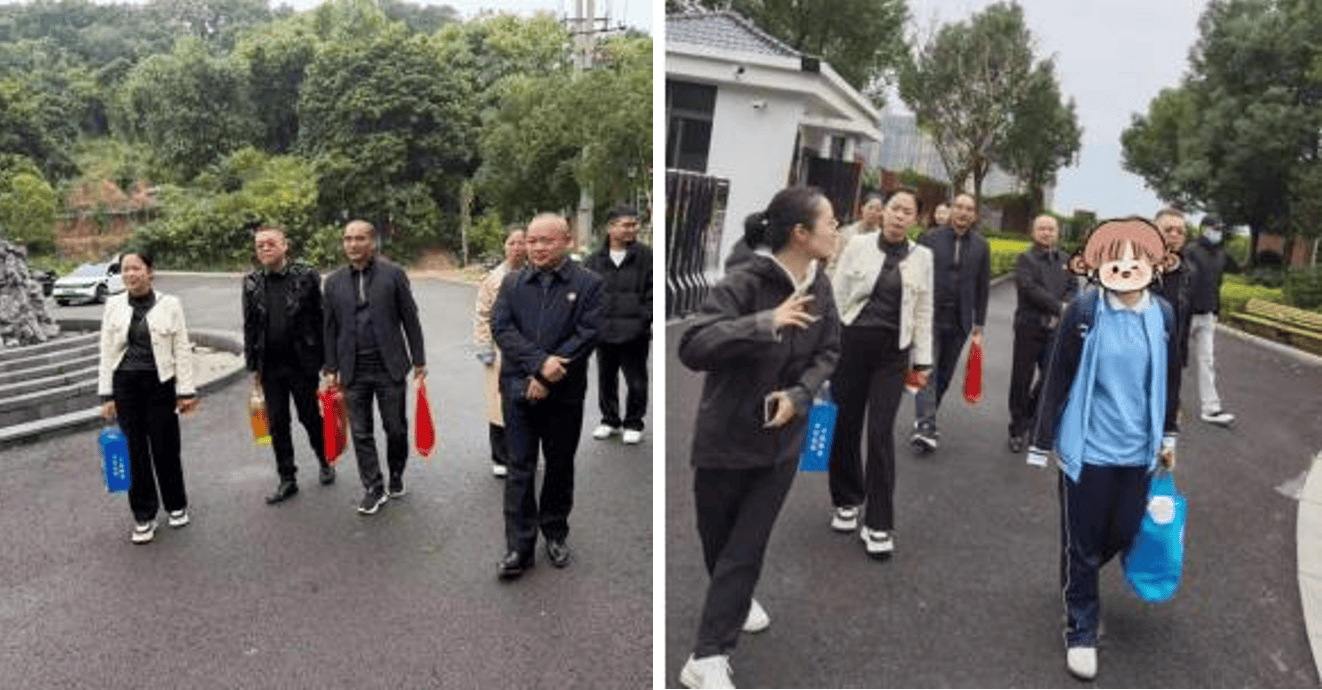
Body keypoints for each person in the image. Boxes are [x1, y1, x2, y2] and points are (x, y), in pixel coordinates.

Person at [676, 187, 841, 689]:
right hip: (725, 439)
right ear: (801, 233)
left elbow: (829, 351)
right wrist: (765, 323)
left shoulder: (821, 285)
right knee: (719, 540)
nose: (837, 229)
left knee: (746, 546)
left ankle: (707, 656)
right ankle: (734, 598)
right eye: (831, 222)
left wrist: (800, 395)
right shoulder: (744, 281)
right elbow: (693, 345)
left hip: (781, 446)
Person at [1026, 218, 1180, 681]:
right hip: (1088, 449)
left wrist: (1169, 436)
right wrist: (1041, 441)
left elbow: (1171, 380)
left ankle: (1079, 573)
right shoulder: (1085, 310)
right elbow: (1056, 375)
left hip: (1139, 452)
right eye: (1116, 258)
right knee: (1083, 541)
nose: (1127, 267)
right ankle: (1081, 627)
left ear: (1155, 264)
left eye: (1138, 258)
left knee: (1123, 532)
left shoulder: (1163, 314)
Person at [491, 214, 603, 579]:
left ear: (567, 241)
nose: (537, 247)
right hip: (518, 388)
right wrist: (539, 365)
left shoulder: (588, 284)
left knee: (559, 465)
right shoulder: (512, 282)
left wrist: (548, 375)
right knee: (519, 467)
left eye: (546, 240)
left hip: (564, 393)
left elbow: (588, 333)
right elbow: (501, 328)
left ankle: (555, 532)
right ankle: (518, 546)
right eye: (532, 240)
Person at [827, 187, 933, 559]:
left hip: (893, 356)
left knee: (879, 432)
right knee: (845, 426)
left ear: (916, 219)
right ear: (883, 212)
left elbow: (923, 310)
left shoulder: (923, 257)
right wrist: (827, 346)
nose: (899, 216)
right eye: (894, 208)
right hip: (851, 346)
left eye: (908, 211)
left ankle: (878, 522)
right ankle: (846, 499)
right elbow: (837, 294)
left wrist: (922, 363)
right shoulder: (857, 245)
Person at [322, 219, 426, 515]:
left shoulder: (393, 274)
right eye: (347, 239)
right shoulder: (333, 281)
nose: (353, 244)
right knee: (360, 431)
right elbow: (329, 328)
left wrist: (419, 360)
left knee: (395, 428)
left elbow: (410, 318)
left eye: (359, 238)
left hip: (389, 365)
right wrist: (330, 367)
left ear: (373, 242)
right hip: (352, 368)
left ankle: (396, 474)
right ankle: (373, 487)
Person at [97, 249, 200, 544]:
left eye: (136, 268)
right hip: (125, 385)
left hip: (160, 383)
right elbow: (106, 350)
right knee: (134, 451)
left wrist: (186, 390)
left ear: (150, 271)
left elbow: (181, 348)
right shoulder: (114, 304)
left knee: (165, 446)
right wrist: (106, 394)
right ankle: (143, 514)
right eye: (125, 269)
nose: (130, 274)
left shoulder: (170, 304)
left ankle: (176, 504)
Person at [243, 226, 333, 504]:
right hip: (270, 367)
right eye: (260, 245)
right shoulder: (251, 281)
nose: (265, 248)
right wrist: (253, 366)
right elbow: (250, 325)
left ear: (285, 246)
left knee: (310, 417)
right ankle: (287, 478)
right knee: (277, 423)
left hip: (301, 363)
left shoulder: (306, 275)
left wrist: (327, 361)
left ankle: (325, 460)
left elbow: (321, 318)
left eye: (270, 243)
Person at [911, 192, 990, 452]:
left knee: (944, 376)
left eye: (969, 209)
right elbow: (916, 275)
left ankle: (926, 417)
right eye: (959, 207)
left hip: (960, 319)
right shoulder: (930, 238)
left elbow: (982, 286)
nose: (963, 212)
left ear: (974, 215)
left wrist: (979, 321)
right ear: (951, 209)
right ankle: (926, 426)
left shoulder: (981, 245)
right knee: (927, 369)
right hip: (930, 316)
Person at [1007, 215, 1077, 453]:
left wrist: (1067, 305)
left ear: (1058, 232)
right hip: (1029, 328)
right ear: (1033, 232)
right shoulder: (1025, 259)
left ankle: (1028, 414)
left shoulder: (1066, 260)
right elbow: (1029, 289)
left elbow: (1073, 287)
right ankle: (1017, 429)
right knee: (1021, 379)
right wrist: (1060, 307)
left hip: (1056, 330)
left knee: (1051, 377)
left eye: (1051, 229)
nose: (1046, 233)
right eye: (1041, 229)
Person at [584, 205, 653, 445]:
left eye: (634, 225)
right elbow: (586, 296)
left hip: (635, 332)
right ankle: (610, 420)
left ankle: (634, 423)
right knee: (606, 378)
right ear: (610, 227)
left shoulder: (647, 257)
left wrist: (644, 319)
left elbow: (654, 292)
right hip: (604, 331)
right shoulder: (594, 260)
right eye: (626, 225)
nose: (632, 229)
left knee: (636, 381)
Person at [474, 224, 527, 477]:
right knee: (498, 405)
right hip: (499, 351)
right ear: (504, 246)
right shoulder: (492, 279)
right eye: (511, 243)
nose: (517, 248)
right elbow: (482, 315)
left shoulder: (536, 273)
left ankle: (524, 454)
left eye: (521, 242)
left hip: (529, 350)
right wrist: (485, 346)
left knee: (527, 402)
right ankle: (500, 456)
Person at [1182, 214, 1238, 426]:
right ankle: (1157, 401)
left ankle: (1211, 409)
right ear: (1204, 229)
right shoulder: (1190, 250)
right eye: (1215, 228)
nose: (1218, 232)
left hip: (1208, 316)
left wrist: (1216, 311)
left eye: (1220, 229)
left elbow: (1217, 284)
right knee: (1173, 360)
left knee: (1207, 362)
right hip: (1187, 315)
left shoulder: (1221, 255)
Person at [1153, 208, 1198, 433]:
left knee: (1167, 417)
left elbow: (1186, 317)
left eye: (1180, 231)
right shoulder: (1135, 267)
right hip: (1135, 353)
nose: (1174, 234)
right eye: (1168, 229)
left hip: (1171, 355)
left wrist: (1182, 354)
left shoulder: (1189, 272)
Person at [826, 192, 883, 275]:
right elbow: (833, 261)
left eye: (878, 210)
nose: (873, 212)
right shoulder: (846, 233)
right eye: (870, 208)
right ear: (862, 208)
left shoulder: (882, 238)